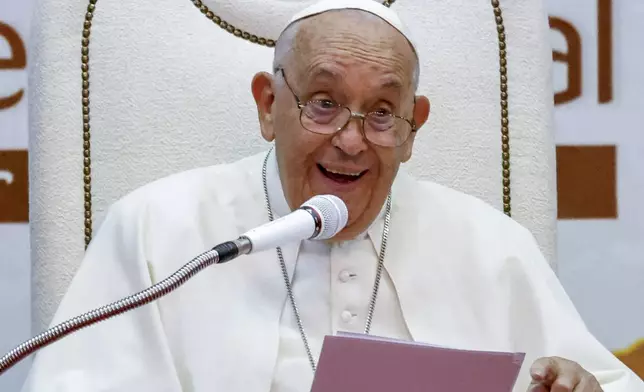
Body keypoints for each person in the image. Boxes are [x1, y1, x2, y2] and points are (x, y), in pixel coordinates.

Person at [20, 0, 644, 391]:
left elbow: (605, 384)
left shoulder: (492, 245)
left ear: (413, 125)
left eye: (381, 113)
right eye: (323, 104)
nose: (351, 141)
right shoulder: (159, 231)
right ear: (269, 105)